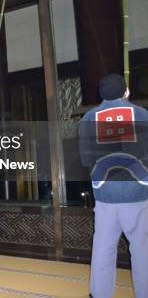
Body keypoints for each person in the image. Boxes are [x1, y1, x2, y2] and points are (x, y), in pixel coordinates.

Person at [79, 74, 148, 298]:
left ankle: (99, 293)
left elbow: (85, 159)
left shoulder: (89, 118)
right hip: (136, 192)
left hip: (105, 193)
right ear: (126, 92)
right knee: (141, 249)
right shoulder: (141, 114)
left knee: (103, 247)